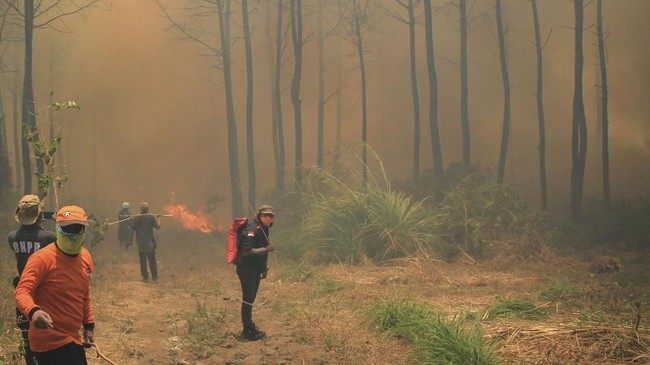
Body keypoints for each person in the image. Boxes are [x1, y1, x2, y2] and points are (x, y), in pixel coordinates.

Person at [14, 205, 95, 365]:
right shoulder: (41, 259)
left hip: (72, 338)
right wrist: (34, 312)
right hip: (48, 340)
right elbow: (22, 291)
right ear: (58, 228)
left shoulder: (85, 257)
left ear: (84, 230)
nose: (72, 233)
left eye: (77, 228)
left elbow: (84, 294)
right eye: (67, 228)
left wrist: (88, 325)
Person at [8, 194, 57, 365]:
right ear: (39, 215)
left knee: (26, 333)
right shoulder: (49, 237)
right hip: (44, 291)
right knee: (47, 330)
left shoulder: (12, 236)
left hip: (23, 289)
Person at [236, 204, 275, 341]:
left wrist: (264, 268)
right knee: (248, 299)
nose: (268, 218)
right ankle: (247, 330)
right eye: (265, 215)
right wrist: (266, 249)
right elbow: (247, 252)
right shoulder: (252, 230)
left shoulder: (264, 229)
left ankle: (249, 325)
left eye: (270, 215)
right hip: (246, 269)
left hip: (255, 269)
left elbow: (263, 250)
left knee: (251, 298)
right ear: (258, 216)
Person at [130, 202, 161, 282]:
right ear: (148, 209)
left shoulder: (136, 218)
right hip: (149, 243)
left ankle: (145, 278)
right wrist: (159, 218)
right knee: (152, 260)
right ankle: (154, 276)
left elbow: (133, 229)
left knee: (142, 260)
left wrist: (130, 239)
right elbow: (158, 227)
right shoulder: (151, 217)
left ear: (141, 209)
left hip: (140, 243)